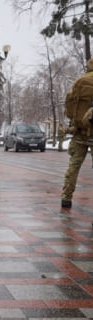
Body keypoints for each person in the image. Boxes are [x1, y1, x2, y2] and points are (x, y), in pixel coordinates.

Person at [61, 58, 93, 208]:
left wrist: (75, 122)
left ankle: (66, 198)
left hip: (80, 132)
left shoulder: (81, 81)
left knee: (73, 167)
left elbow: (70, 105)